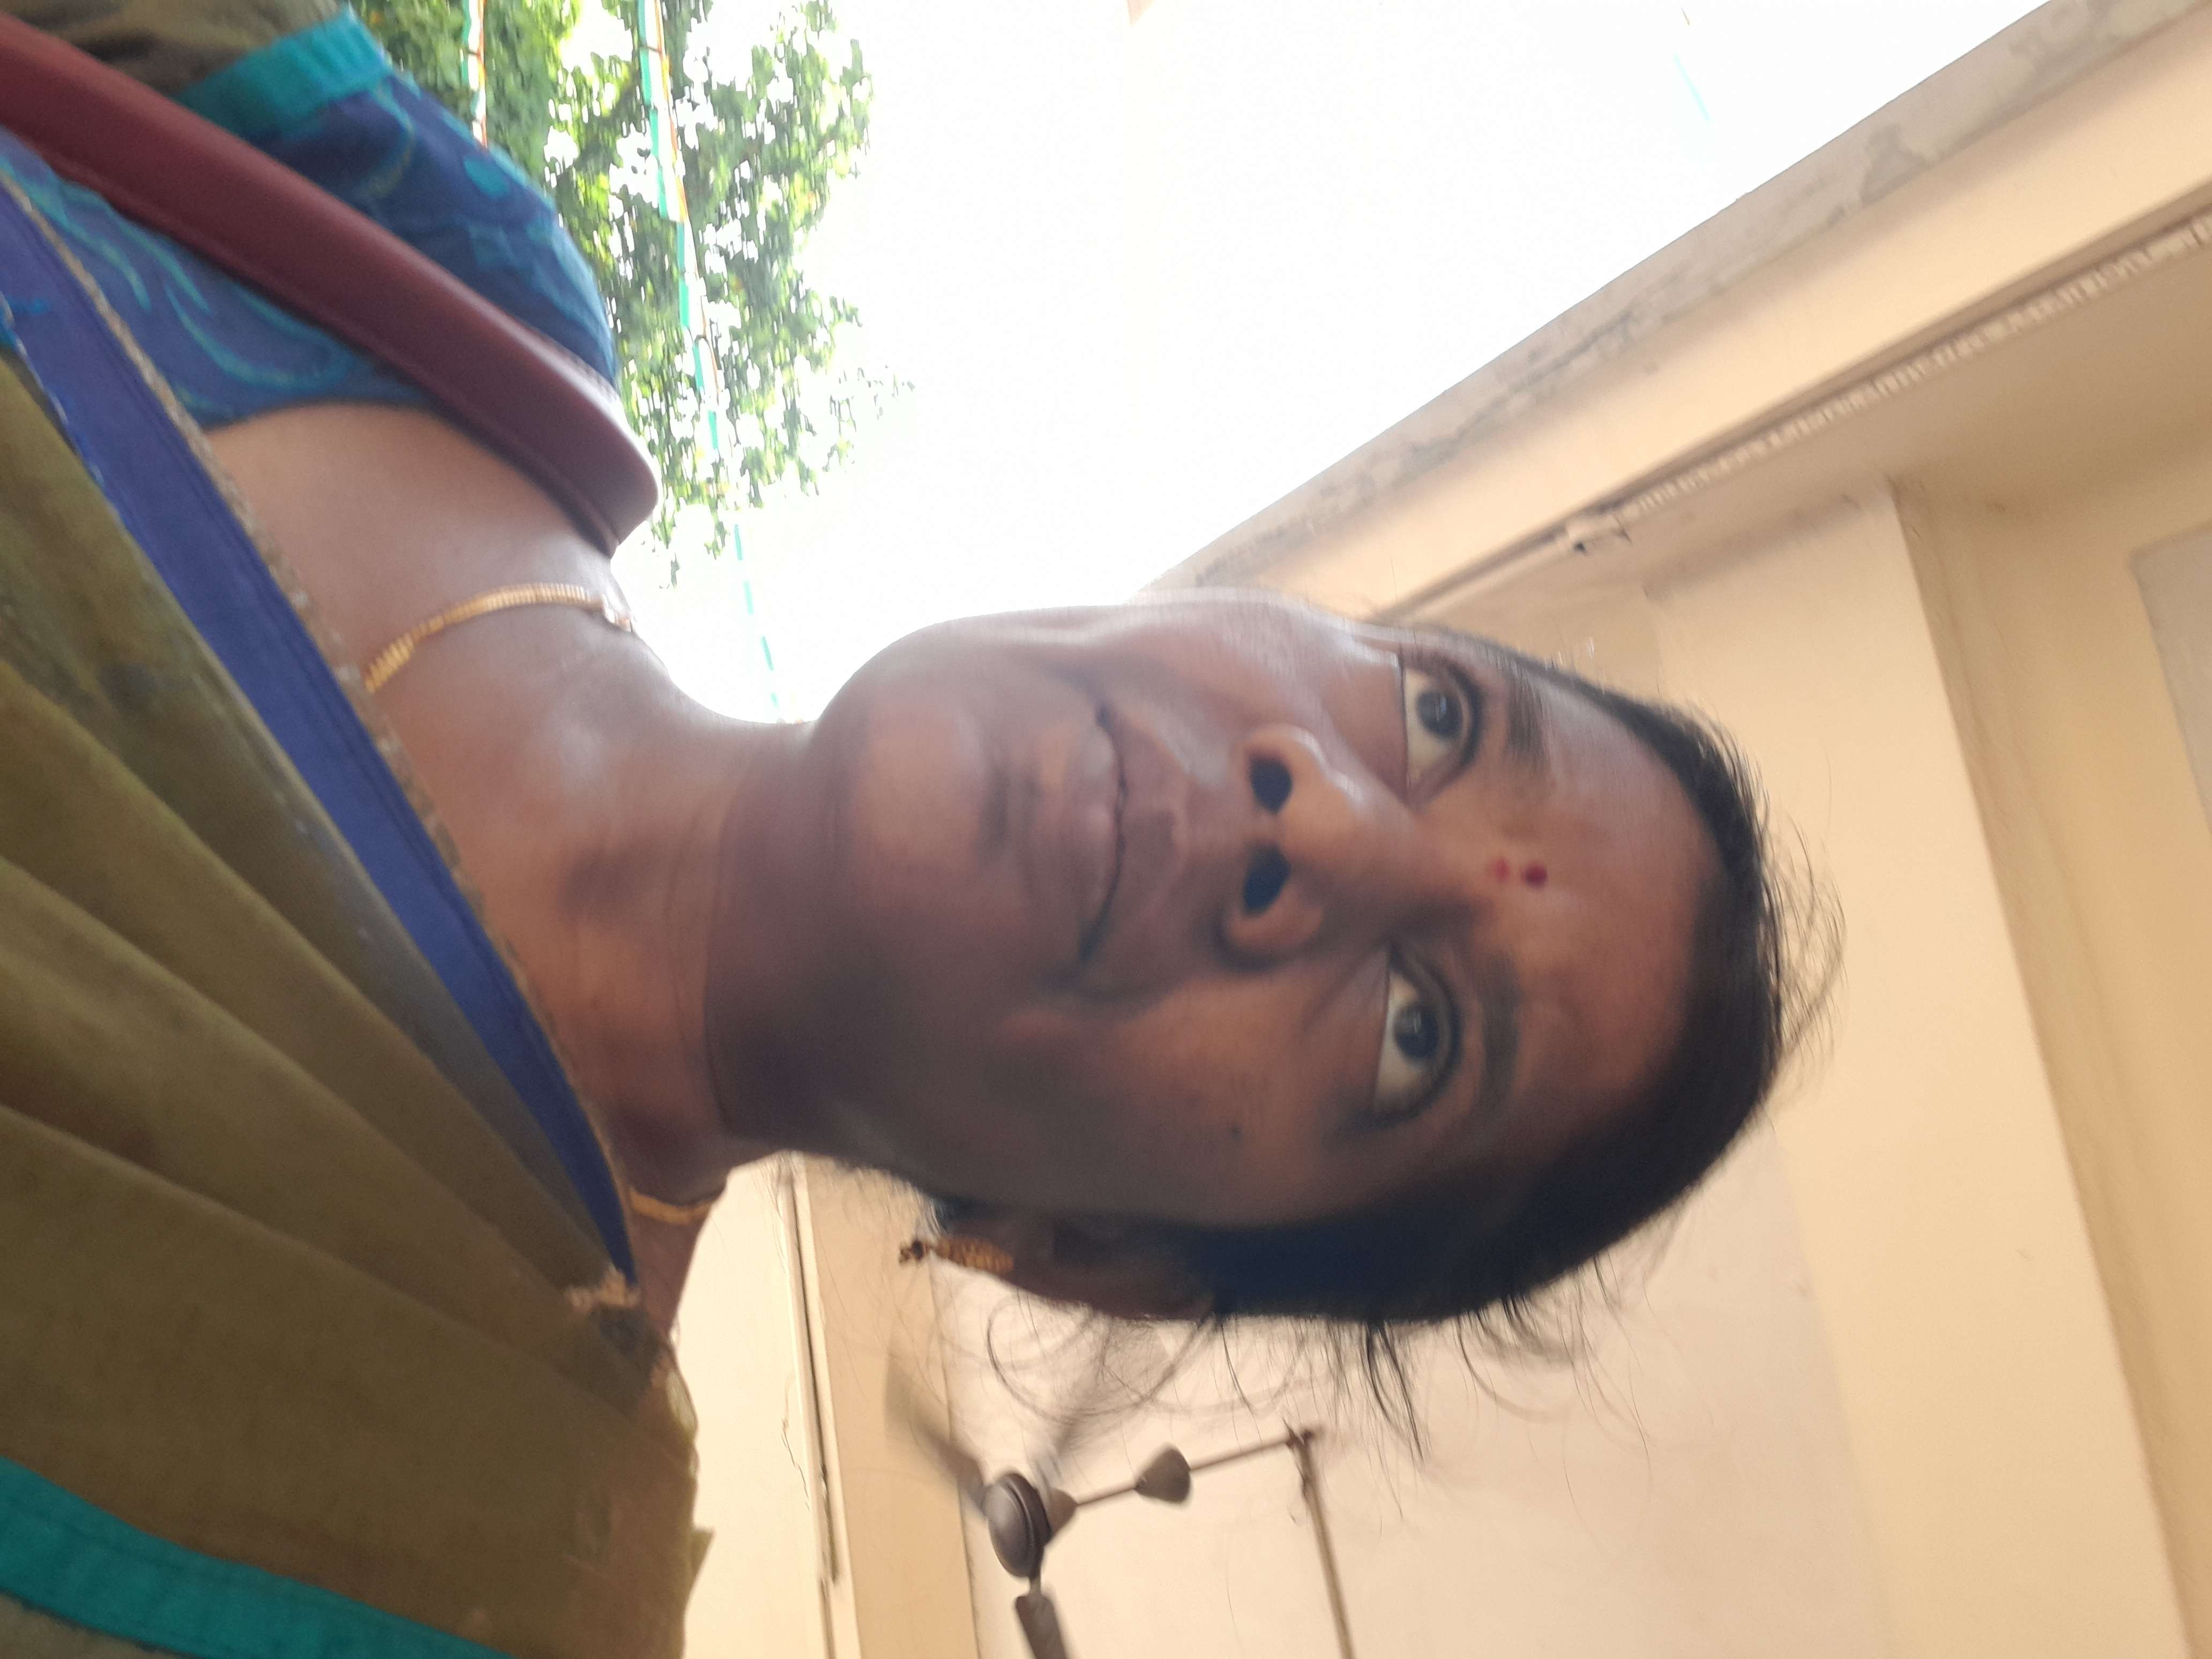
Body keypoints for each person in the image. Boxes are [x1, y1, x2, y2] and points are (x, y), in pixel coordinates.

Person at [0, 6, 1815, 1657]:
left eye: (1422, 1033)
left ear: (1096, 1256)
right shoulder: (445, 292)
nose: (1325, 822)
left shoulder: (441, 1557)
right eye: (1435, 719)